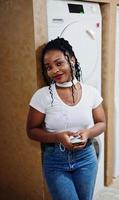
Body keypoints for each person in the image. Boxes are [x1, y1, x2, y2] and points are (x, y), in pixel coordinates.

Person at [26, 37, 106, 200]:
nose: (54, 70)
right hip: (56, 161)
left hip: (86, 158)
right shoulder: (42, 96)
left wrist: (88, 133)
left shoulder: (91, 92)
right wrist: (57, 137)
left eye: (59, 63)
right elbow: (31, 131)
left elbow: (102, 123)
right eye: (49, 67)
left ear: (72, 60)